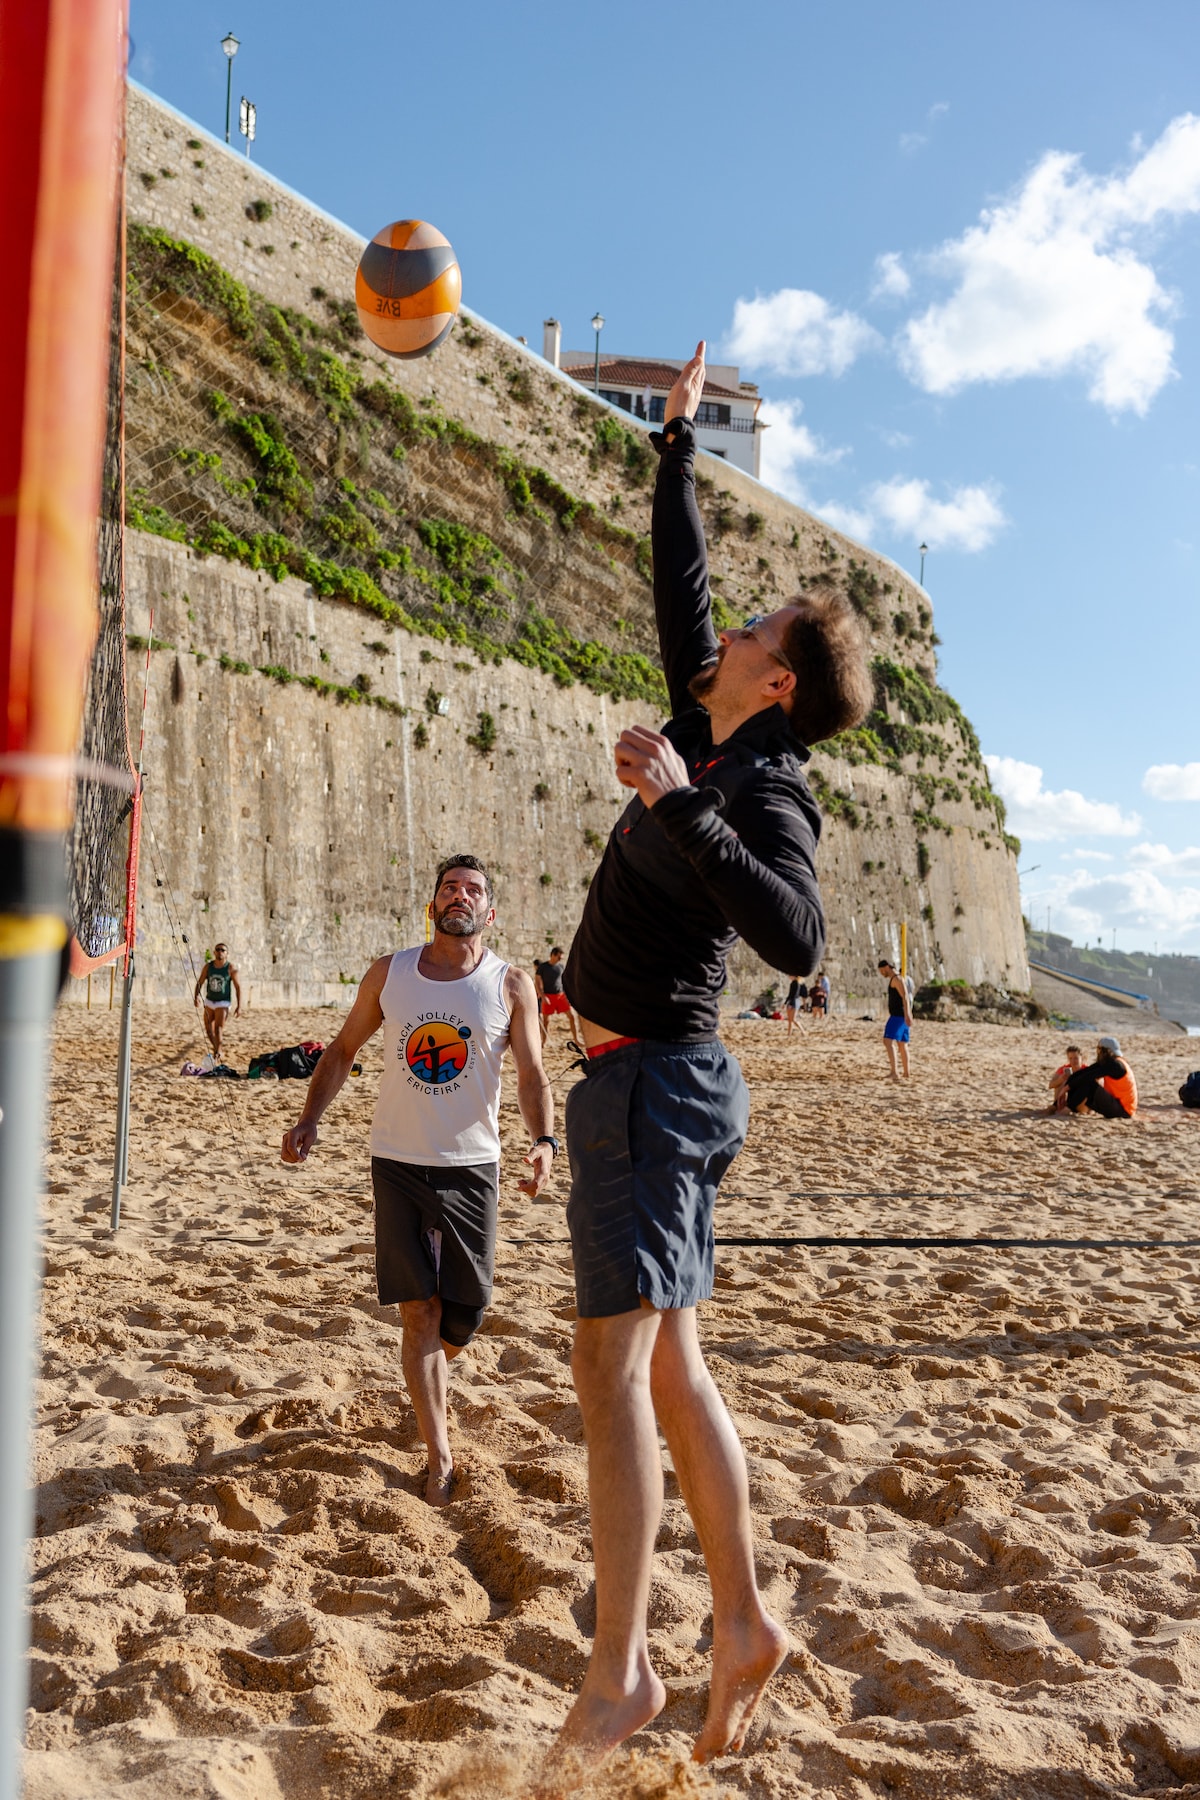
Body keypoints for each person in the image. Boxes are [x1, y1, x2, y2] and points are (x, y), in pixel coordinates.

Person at [549, 341, 873, 1776]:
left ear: (781, 686)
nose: (731, 627)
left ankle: (620, 1675)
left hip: (654, 1090)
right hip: (641, 1088)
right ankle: (739, 1624)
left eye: (758, 627)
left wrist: (686, 808)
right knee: (670, 1369)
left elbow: (797, 937)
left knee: (612, 1374)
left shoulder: (768, 783)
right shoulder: (710, 726)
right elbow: (681, 591)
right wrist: (676, 451)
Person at [280, 855, 556, 1505]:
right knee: (418, 1312)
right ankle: (440, 1456)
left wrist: (543, 1140)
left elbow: (532, 1074)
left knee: (466, 1312)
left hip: (473, 1167)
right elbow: (343, 1048)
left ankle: (427, 1370)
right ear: (431, 906)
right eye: (449, 888)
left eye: (474, 890)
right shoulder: (391, 973)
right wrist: (309, 1119)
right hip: (397, 1161)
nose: (460, 896)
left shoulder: (512, 984)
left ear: (491, 912)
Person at [1065, 1036, 1138, 1118]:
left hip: (1123, 1111)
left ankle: (1068, 1108)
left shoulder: (1116, 1065)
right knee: (1081, 1080)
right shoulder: (1111, 1062)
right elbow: (1085, 1072)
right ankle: (1067, 1107)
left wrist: (1067, 1087)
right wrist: (1067, 1085)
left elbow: (1088, 1076)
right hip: (1119, 1106)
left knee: (1089, 1083)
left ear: (1104, 1050)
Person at [193, 943, 241, 1059]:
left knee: (218, 1028)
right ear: (214, 952)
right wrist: (196, 996)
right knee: (208, 1029)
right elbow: (200, 982)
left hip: (223, 1002)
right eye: (217, 950)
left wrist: (239, 1006)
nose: (220, 952)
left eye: (223, 950)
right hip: (210, 1000)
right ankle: (216, 1048)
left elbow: (237, 987)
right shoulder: (208, 967)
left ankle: (217, 1051)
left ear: (227, 954)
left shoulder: (230, 968)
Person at [534, 945, 580, 1045]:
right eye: (559, 957)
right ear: (553, 955)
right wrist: (542, 995)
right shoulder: (543, 967)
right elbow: (537, 982)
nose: (560, 959)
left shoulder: (561, 966)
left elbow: (566, 981)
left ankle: (576, 1040)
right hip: (548, 996)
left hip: (561, 996)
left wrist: (570, 995)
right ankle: (543, 1042)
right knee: (546, 1021)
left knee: (572, 1016)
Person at [878, 958, 912, 1079]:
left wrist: (908, 1014)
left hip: (898, 1016)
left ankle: (894, 1072)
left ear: (887, 967)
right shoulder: (897, 978)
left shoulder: (896, 979)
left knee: (887, 1041)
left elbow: (905, 996)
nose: (882, 974)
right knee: (902, 1044)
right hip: (901, 1015)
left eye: (882, 971)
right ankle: (906, 1073)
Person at [1048, 1044, 1085, 1112]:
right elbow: (1050, 1085)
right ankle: (1057, 1106)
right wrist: (1061, 1079)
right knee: (1061, 1082)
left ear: (1082, 1058)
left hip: (1080, 1101)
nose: (1073, 1061)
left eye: (1076, 1058)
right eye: (1070, 1058)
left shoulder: (1086, 1070)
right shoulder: (1064, 1069)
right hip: (1065, 1099)